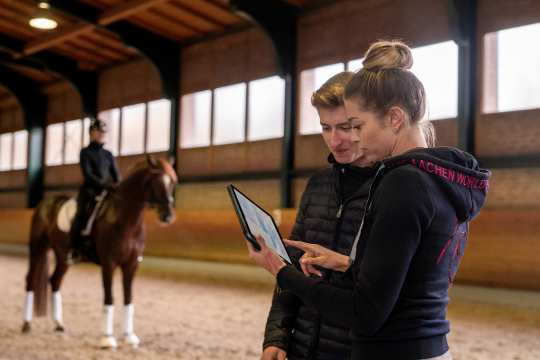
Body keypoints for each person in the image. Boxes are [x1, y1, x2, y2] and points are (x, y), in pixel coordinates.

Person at [248, 40, 491, 360]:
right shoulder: (438, 177)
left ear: (394, 118)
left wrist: (282, 271)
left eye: (357, 126)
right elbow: (406, 280)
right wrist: (348, 264)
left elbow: (365, 312)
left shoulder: (403, 182)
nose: (355, 138)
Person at [262, 72, 377, 360]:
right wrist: (277, 336)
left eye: (346, 127)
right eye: (326, 128)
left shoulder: (390, 187)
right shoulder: (317, 184)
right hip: (302, 347)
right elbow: (290, 266)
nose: (334, 140)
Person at [69, 118, 121, 262]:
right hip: (90, 191)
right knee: (81, 215)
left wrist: (118, 185)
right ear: (91, 133)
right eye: (99, 132)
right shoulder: (85, 152)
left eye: (103, 132)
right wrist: (105, 185)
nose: (102, 135)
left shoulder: (108, 154)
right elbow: (88, 174)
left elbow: (116, 174)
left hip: (108, 191)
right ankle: (75, 249)